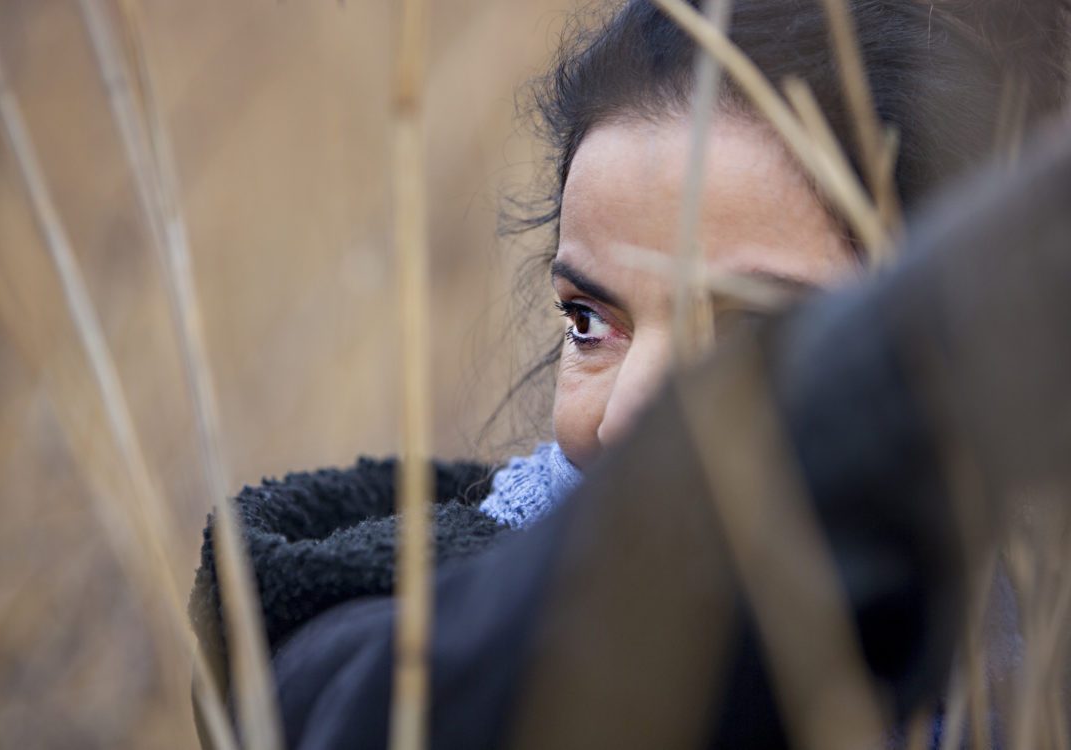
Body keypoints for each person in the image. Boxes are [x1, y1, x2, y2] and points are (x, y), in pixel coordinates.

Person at [188, 0, 1069, 746]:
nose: (622, 417)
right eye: (590, 321)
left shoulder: (1026, 668)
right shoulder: (372, 618)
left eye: (755, 333)